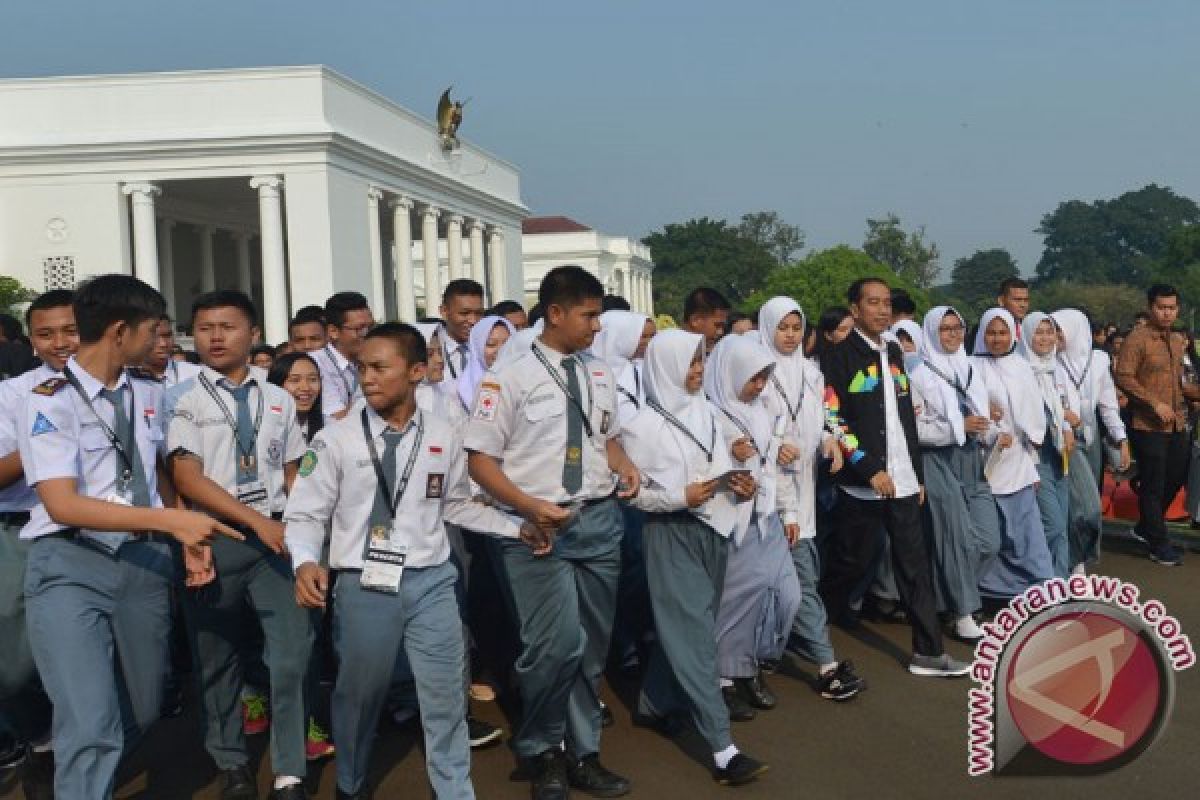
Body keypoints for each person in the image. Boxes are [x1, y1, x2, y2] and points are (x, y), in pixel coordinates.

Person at [17, 274, 241, 798]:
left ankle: (85, 767)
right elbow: (61, 502)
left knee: (142, 706)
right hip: (70, 565)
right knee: (90, 725)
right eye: (153, 330)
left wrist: (186, 537)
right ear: (120, 331)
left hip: (143, 564)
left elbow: (160, 470)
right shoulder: (49, 399)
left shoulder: (149, 391)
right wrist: (172, 523)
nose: (161, 341)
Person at [285, 322, 521, 800]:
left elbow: (457, 504)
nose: (367, 378)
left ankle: (454, 788)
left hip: (431, 581)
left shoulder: (443, 434)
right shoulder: (337, 439)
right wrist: (306, 561)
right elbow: (307, 513)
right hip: (362, 584)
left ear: (416, 371)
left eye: (379, 367)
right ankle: (350, 783)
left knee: (444, 695)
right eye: (361, 368)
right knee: (359, 695)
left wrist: (519, 527)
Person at [465, 265, 641, 800]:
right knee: (555, 646)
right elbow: (480, 462)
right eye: (589, 316)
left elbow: (603, 436)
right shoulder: (508, 377)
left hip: (598, 520)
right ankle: (542, 749)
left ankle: (582, 754)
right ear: (556, 313)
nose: (596, 327)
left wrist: (624, 463)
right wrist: (528, 506)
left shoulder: (601, 373)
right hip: (535, 528)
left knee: (590, 650)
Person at [166, 290, 314, 800]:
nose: (214, 336)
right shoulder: (181, 398)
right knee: (216, 659)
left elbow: (292, 470)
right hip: (213, 537)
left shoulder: (276, 397)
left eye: (227, 326)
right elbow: (185, 476)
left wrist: (305, 531)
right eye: (204, 327)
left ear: (253, 335)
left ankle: (290, 769)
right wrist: (199, 537)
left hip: (276, 539)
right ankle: (232, 763)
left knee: (292, 655)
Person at [620, 329, 769, 785]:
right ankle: (723, 749)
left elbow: (723, 466)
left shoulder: (709, 411)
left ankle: (653, 702)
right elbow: (634, 495)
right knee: (698, 637)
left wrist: (742, 485)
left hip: (715, 529)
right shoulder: (640, 427)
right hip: (671, 533)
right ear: (665, 366)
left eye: (701, 361)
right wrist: (678, 498)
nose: (698, 370)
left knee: (690, 625)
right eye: (689, 363)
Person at [818, 278, 969, 678]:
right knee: (851, 561)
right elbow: (834, 418)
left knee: (914, 565)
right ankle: (815, 622)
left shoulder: (894, 350)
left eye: (886, 303)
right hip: (863, 482)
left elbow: (904, 418)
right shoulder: (839, 356)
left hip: (901, 478)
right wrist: (869, 468)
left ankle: (928, 652)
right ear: (854, 309)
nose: (882, 310)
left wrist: (915, 474)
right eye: (872, 303)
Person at [754, 298, 864, 698]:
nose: (790, 335)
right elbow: (743, 425)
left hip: (804, 488)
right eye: (782, 327)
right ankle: (826, 663)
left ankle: (764, 652)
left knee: (792, 576)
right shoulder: (755, 373)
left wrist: (830, 441)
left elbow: (823, 417)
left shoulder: (811, 372)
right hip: (769, 493)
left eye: (796, 327)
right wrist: (773, 445)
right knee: (797, 579)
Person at [0, 289, 78, 798]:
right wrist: (44, 436)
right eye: (45, 334)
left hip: (102, 532)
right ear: (30, 341)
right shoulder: (15, 394)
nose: (59, 342)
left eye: (70, 330)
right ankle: (41, 737)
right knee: (14, 666)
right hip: (23, 529)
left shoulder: (125, 387)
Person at [704, 334, 802, 718]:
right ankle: (728, 678)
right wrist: (729, 453)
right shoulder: (709, 413)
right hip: (734, 521)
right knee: (737, 603)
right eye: (753, 378)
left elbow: (775, 469)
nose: (759, 386)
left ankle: (749, 664)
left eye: (764, 377)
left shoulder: (764, 411)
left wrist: (788, 511)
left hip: (767, 518)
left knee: (786, 596)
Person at [908, 306, 994, 641]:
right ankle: (963, 611)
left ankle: (944, 597)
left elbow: (984, 410)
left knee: (989, 540)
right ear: (931, 331)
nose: (953, 334)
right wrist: (959, 426)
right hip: (937, 458)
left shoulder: (970, 366)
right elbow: (915, 428)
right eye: (944, 329)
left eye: (957, 327)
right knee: (954, 535)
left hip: (972, 457)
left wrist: (988, 429)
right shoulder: (918, 373)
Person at [971, 309, 1056, 597]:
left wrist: (1032, 462)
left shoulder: (1020, 366)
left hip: (1018, 460)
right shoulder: (971, 367)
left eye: (1003, 332)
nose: (997, 339)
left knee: (1026, 531)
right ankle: (992, 589)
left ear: (1012, 335)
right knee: (994, 532)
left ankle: (1038, 587)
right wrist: (990, 425)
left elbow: (1032, 417)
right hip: (986, 461)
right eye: (991, 333)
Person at [1114, 284, 1200, 566]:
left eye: (1172, 308)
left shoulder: (1177, 340)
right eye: (1162, 307)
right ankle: (1158, 544)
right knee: (1154, 483)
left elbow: (1177, 381)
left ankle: (1146, 527)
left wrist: (1191, 395)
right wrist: (1154, 402)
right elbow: (1124, 376)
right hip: (1146, 423)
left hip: (1176, 422)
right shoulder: (1137, 340)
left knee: (1177, 476)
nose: (1167, 313)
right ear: (1151, 307)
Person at [1052, 309, 1125, 572]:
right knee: (1086, 506)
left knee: (1084, 504)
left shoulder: (1099, 360)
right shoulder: (1049, 361)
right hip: (1064, 439)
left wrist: (1120, 437)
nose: (1055, 336)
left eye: (1059, 330)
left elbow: (1107, 404)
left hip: (1091, 438)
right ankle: (1075, 563)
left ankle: (1079, 561)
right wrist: (1064, 416)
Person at [1019, 312, 1074, 579]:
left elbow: (1062, 405)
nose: (1044, 338)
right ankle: (1046, 584)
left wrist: (1065, 426)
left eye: (1049, 332)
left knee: (1061, 522)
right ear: (1026, 336)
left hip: (1058, 454)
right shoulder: (1020, 370)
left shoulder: (1054, 369)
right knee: (1051, 525)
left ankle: (1060, 583)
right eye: (1038, 333)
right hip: (1034, 457)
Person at [312, 292, 374, 420]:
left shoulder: (369, 361)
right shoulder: (316, 364)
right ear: (333, 331)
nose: (367, 334)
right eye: (359, 329)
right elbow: (338, 418)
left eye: (371, 327)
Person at [267, 353, 325, 445]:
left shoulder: (330, 427)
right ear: (276, 384)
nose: (305, 388)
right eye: (295, 380)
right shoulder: (262, 427)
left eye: (313, 379)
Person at [440, 279, 487, 385]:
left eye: (479, 313)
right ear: (444, 311)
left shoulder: (489, 350)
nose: (473, 320)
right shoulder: (430, 352)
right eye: (464, 313)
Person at [144, 314, 202, 388]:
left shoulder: (196, 375)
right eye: (155, 337)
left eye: (167, 336)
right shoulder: (126, 378)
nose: (163, 344)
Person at [682, 287, 732, 354]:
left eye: (723, 326)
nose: (721, 332)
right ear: (695, 320)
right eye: (717, 325)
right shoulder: (671, 351)